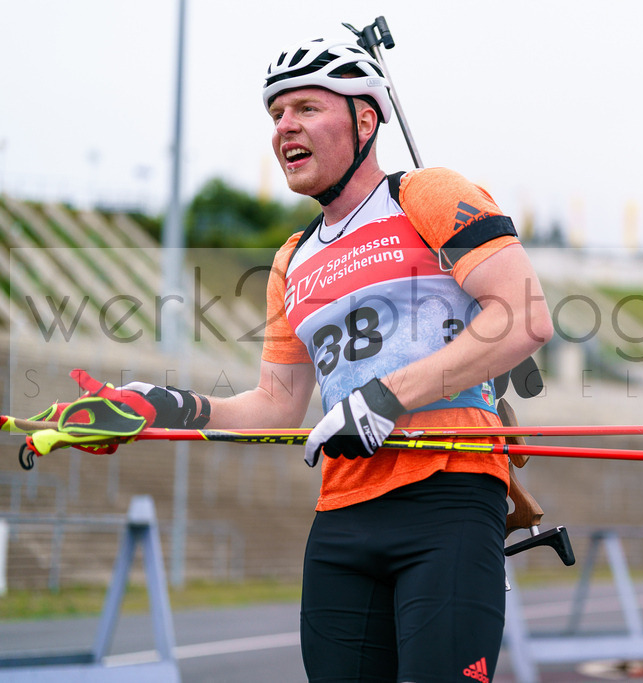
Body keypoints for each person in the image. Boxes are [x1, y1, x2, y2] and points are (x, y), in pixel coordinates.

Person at [117, 36, 553, 682]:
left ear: (365, 119)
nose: (284, 127)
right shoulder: (293, 258)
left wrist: (387, 396)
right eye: (275, 115)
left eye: (304, 108)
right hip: (343, 519)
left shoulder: (425, 194)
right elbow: (275, 404)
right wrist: (161, 405)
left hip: (450, 495)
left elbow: (522, 316)